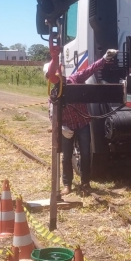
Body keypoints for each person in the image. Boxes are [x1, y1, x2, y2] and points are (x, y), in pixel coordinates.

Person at [45, 46, 118, 195]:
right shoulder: (53, 93)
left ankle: (85, 182)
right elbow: (52, 114)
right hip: (67, 127)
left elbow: (90, 70)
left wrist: (104, 59)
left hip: (83, 123)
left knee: (85, 153)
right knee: (66, 157)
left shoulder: (75, 79)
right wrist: (61, 128)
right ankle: (67, 185)